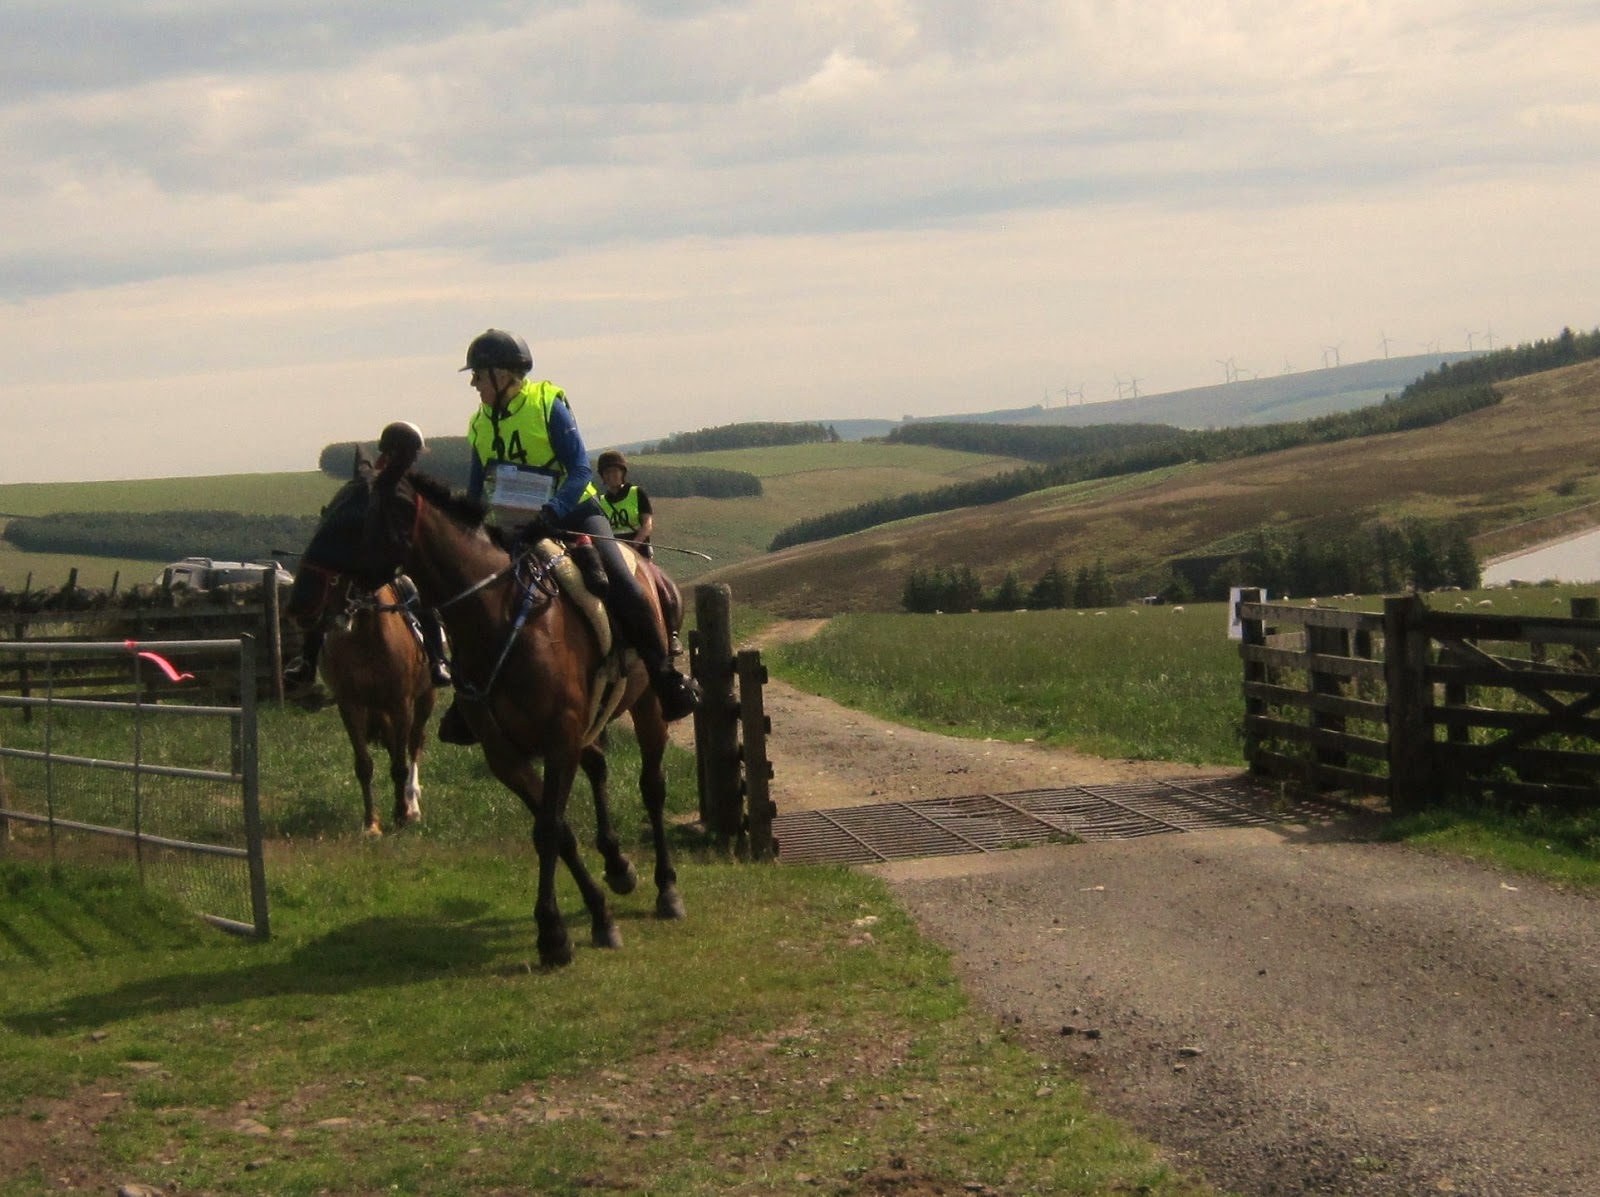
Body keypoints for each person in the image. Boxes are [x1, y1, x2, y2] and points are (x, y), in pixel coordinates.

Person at [439, 328, 699, 739]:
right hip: (512, 525)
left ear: (503, 374)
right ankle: (467, 699)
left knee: (623, 583)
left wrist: (552, 511)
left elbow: (579, 470)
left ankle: (665, 679)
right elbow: (475, 491)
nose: (473, 383)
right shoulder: (479, 424)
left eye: (478, 375)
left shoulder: (547, 404)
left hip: (574, 514)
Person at [284, 423, 452, 691]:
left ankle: (306, 662)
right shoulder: (393, 485)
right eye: (414, 455)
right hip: (375, 570)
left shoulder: (360, 481)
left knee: (330, 607)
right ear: (404, 453)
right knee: (418, 597)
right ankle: (437, 661)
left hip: (350, 570)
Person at [594, 449, 654, 557]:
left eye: (615, 471)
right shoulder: (601, 501)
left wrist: (636, 542)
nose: (611, 475)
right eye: (607, 472)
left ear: (622, 473)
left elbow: (647, 525)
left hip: (638, 551)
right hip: (616, 553)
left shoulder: (636, 493)